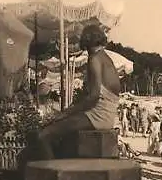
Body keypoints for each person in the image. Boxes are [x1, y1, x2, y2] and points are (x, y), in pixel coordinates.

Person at [36, 24, 122, 160]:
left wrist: (65, 113)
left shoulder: (94, 59)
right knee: (61, 130)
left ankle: (54, 175)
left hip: (98, 116)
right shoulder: (106, 58)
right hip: (107, 116)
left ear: (86, 42)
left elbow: (93, 98)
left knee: (44, 135)